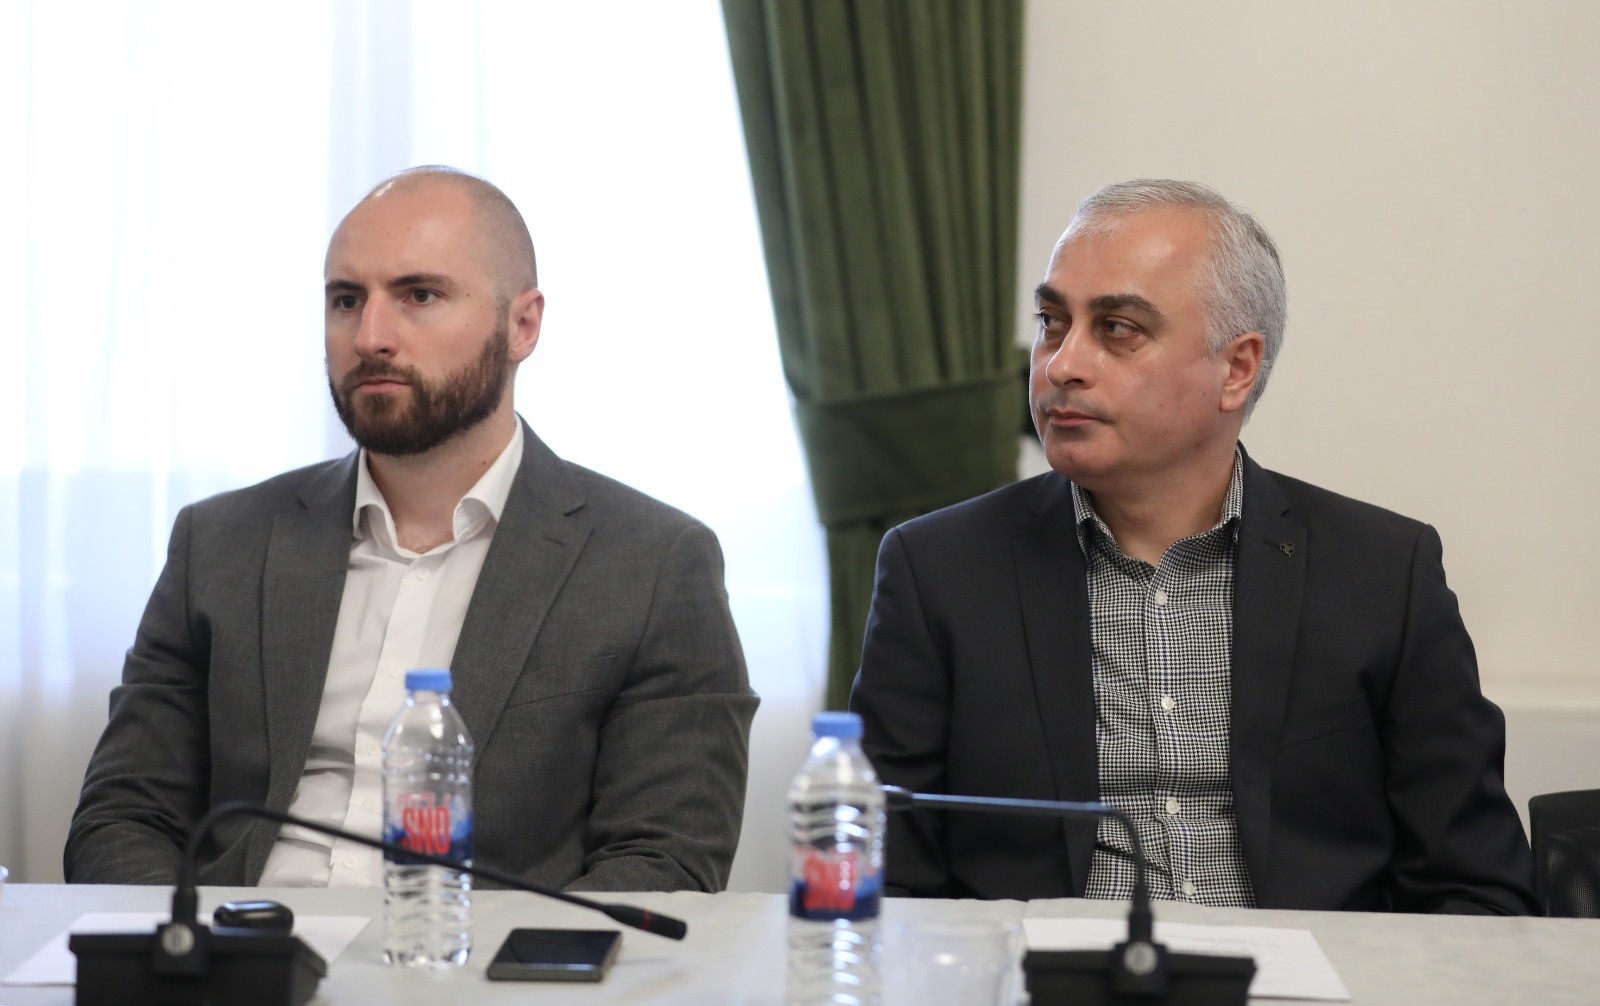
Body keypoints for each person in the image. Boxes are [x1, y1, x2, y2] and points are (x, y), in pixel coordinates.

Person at [849, 179, 1535, 914]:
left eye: (1117, 328)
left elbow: (1476, 890)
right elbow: (886, 881)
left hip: (1312, 972)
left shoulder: (1383, 574)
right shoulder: (937, 570)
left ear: (1236, 369)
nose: (1060, 365)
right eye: (1053, 322)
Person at [66, 166, 758, 893]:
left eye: (419, 295)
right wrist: (187, 949)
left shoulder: (652, 565)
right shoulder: (219, 545)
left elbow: (665, 859)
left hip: (479, 952)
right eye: (346, 300)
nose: (370, 337)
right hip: (242, 944)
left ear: (522, 326)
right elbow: (124, 818)